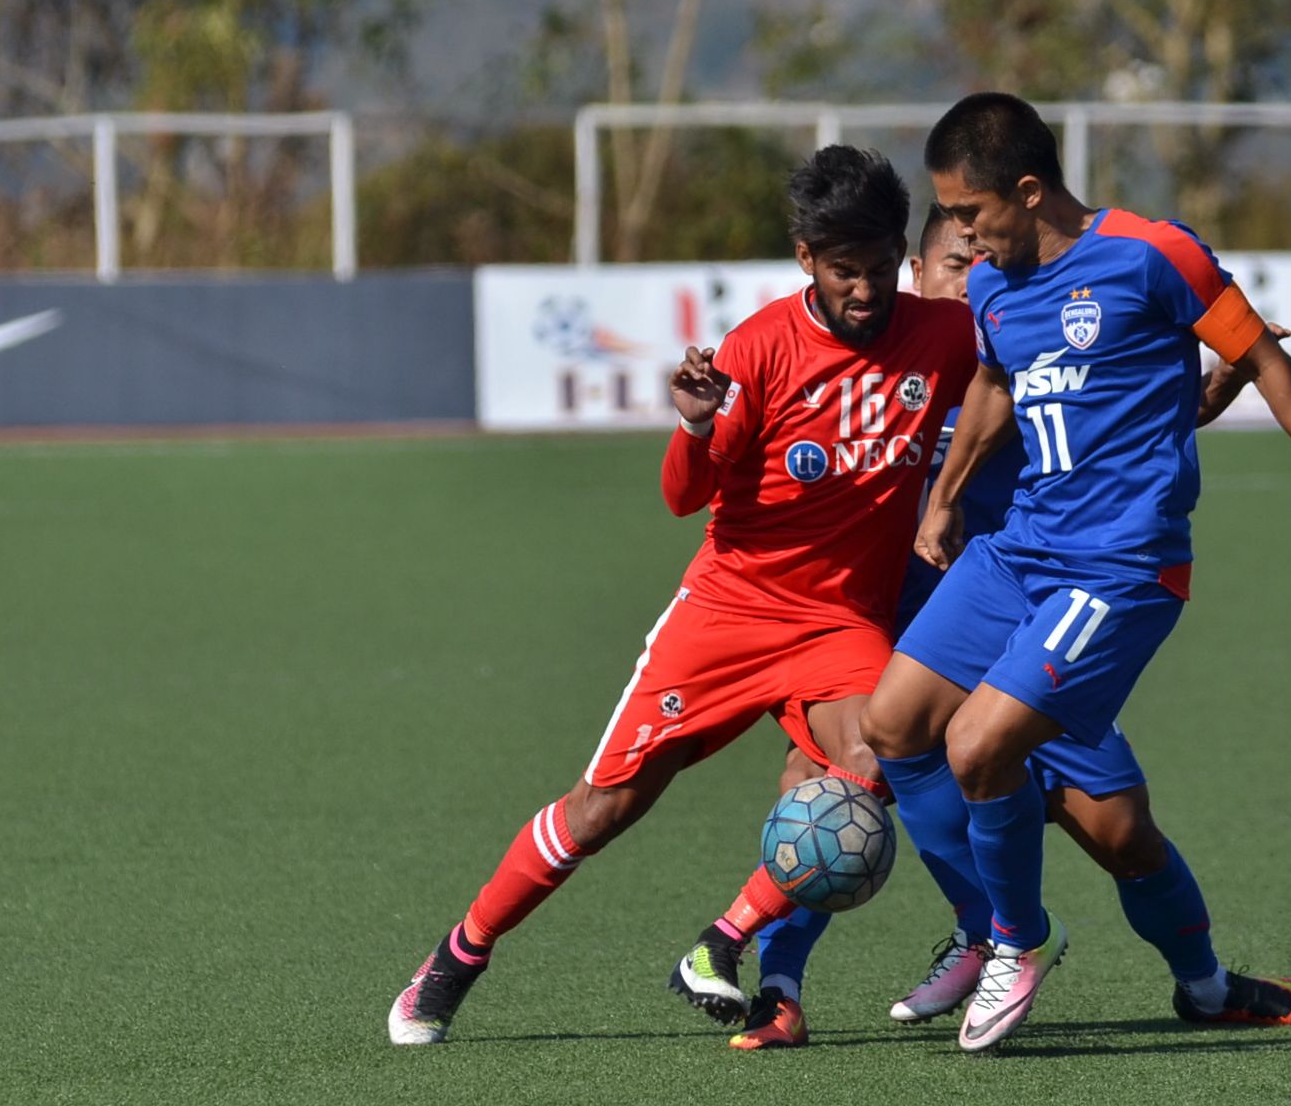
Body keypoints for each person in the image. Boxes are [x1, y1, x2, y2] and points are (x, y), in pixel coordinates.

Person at [388, 146, 978, 1045]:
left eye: (879, 268)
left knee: (880, 756)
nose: (865, 291)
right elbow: (681, 496)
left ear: (904, 251)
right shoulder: (760, 349)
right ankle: (459, 955)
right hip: (729, 612)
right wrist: (697, 422)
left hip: (837, 625)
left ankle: (721, 939)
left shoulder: (939, 336)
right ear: (805, 259)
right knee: (605, 808)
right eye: (844, 272)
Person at [861, 91, 1291, 1052]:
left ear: (1028, 192)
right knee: (893, 723)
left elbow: (1262, 357)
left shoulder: (1153, 253)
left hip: (1119, 571)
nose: (965, 240)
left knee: (989, 752)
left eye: (973, 216)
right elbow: (992, 384)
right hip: (1018, 553)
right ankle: (1044, 940)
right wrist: (945, 497)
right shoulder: (991, 288)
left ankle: (1030, 945)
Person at [728, 206, 1285, 1050]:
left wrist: (1226, 379)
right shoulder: (883, 373)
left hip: (1037, 620)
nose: (978, 272)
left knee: (1123, 831)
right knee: (826, 788)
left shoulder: (1028, 351)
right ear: (917, 277)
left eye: (984, 255)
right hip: (917, 640)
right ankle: (786, 986)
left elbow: (1136, 431)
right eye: (959, 262)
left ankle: (1206, 985)